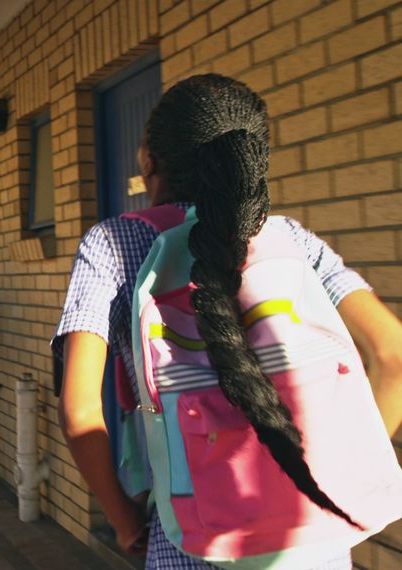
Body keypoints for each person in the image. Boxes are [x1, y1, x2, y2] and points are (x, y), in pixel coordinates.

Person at [53, 74, 402, 569]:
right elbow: (394, 357)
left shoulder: (113, 245)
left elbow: (80, 410)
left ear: (149, 160)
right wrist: (332, 471)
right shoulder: (292, 241)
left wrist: (125, 519)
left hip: (191, 539)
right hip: (310, 542)